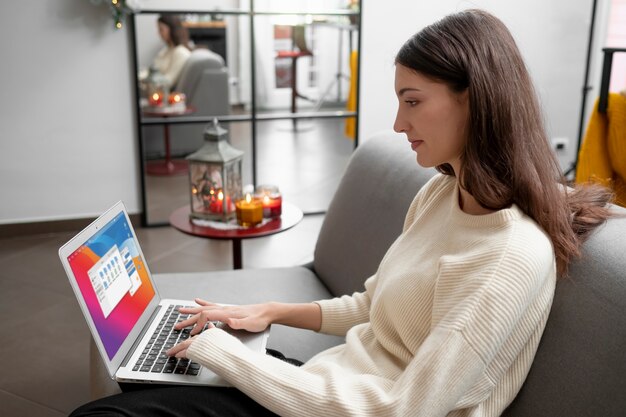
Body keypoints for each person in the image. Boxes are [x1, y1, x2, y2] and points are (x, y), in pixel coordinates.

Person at [71, 9, 614, 417]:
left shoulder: (507, 256)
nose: (399, 123)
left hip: (358, 407)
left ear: (475, 98)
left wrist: (229, 358)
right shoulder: (440, 196)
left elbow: (401, 408)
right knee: (153, 379)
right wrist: (267, 312)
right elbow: (374, 304)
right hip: (329, 389)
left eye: (413, 100)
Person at [147, 15, 192, 90]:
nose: (159, 33)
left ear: (172, 29)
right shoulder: (166, 50)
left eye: (161, 29)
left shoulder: (181, 52)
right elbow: (152, 71)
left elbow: (168, 82)